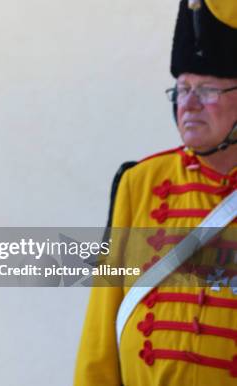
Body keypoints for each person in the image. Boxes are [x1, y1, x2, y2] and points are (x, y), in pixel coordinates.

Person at [74, 1, 236, 385]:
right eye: (182, 89)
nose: (190, 104)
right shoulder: (139, 183)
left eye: (207, 90)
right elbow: (101, 330)